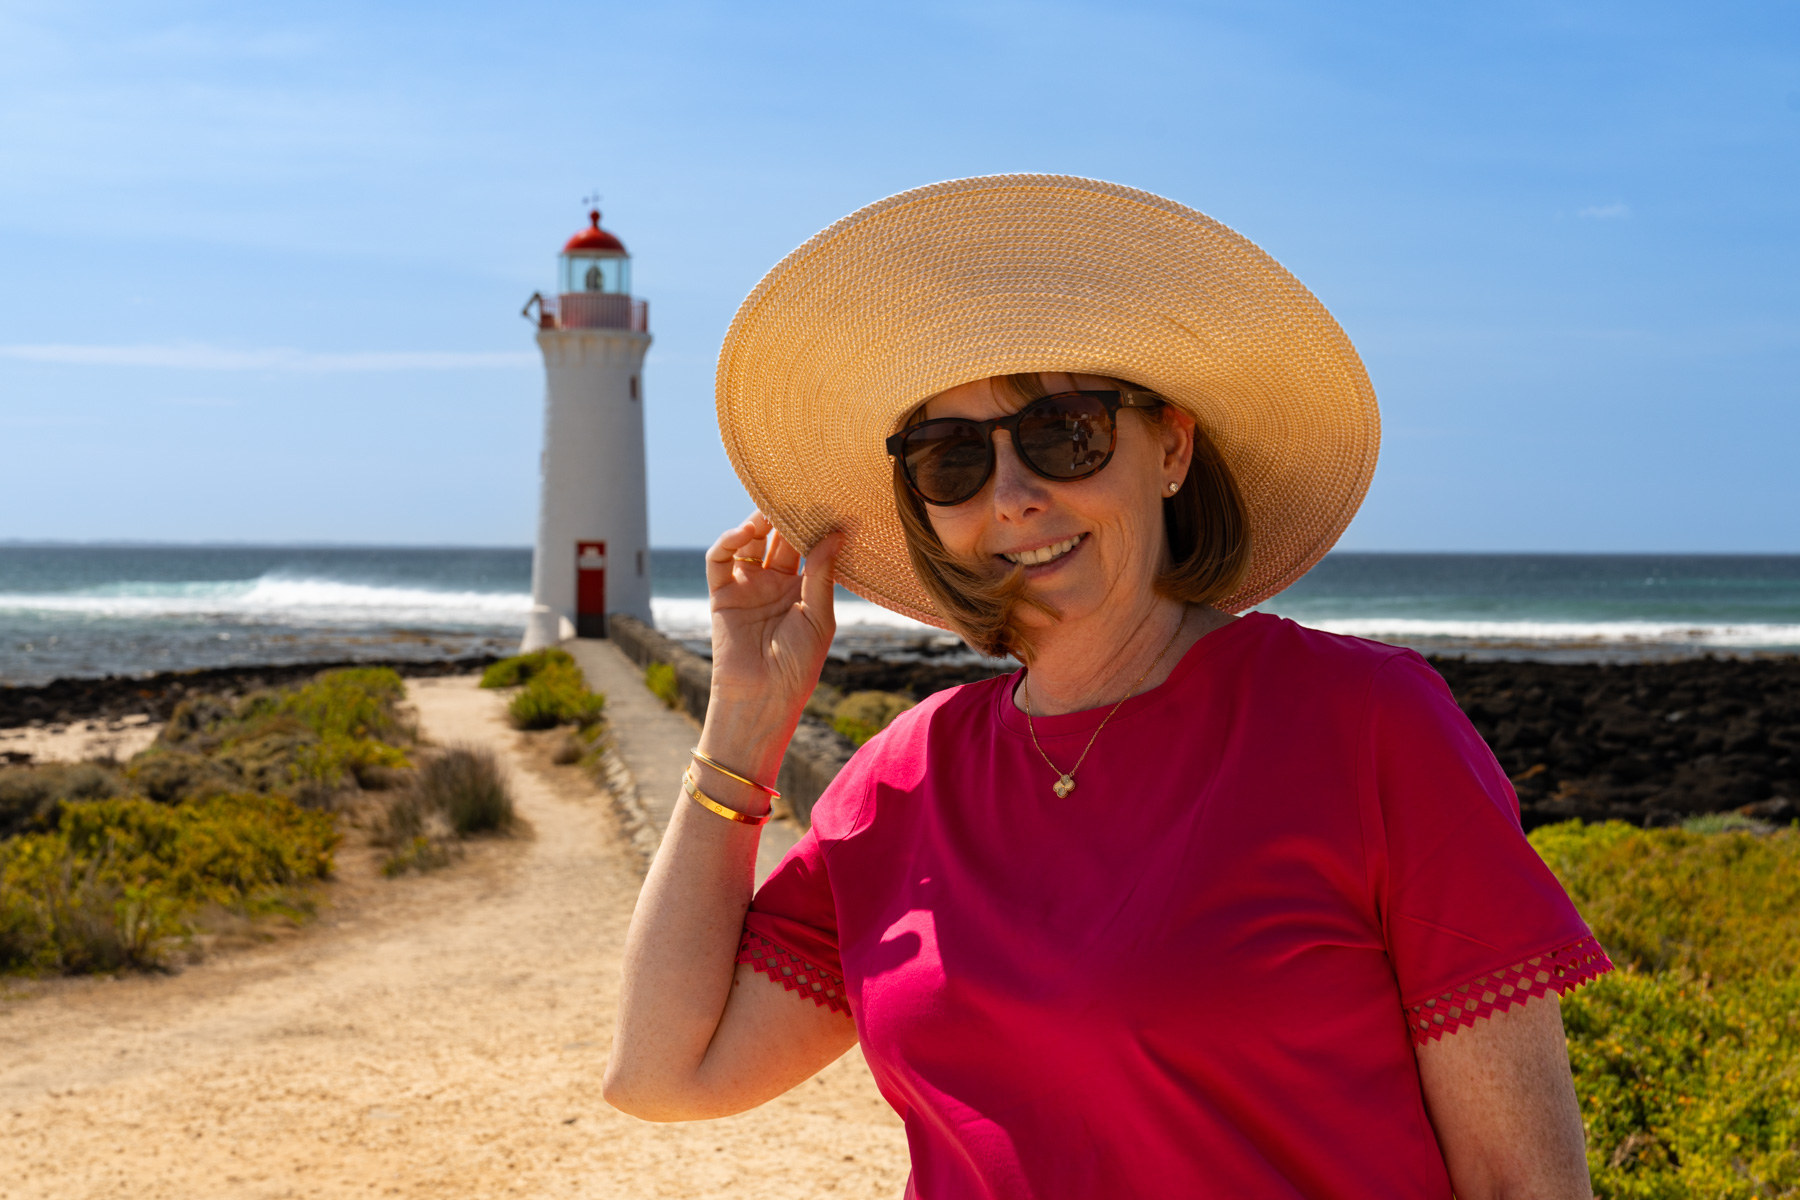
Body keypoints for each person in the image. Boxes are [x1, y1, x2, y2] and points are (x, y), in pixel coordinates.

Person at [603, 176, 1610, 1199]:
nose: (1013, 496)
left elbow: (1524, 1182)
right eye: (952, 460)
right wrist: (746, 718)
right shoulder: (902, 782)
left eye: (1064, 433)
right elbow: (664, 1073)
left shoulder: (1365, 725)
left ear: (1170, 445)